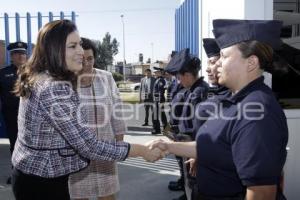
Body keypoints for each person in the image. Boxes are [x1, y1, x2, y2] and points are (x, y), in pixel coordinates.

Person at [11, 19, 163, 200]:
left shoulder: (44, 77)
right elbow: (87, 145)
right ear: (54, 49)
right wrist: (141, 150)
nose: (81, 52)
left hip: (35, 175)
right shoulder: (53, 87)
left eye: (80, 45)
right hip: (42, 181)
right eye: (73, 46)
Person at [151, 19, 288, 200]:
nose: (216, 65)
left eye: (224, 57)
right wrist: (169, 146)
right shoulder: (236, 101)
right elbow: (214, 146)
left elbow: (261, 193)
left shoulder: (257, 113)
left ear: (251, 63)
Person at [68, 37, 123, 200]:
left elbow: (117, 113)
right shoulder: (66, 81)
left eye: (90, 59)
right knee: (79, 195)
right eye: (82, 59)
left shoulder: (106, 77)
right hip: (77, 153)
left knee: (107, 194)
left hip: (105, 149)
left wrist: (119, 145)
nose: (86, 64)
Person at [0, 41, 28, 184]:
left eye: (23, 53)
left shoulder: (33, 72)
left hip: (31, 118)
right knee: (15, 145)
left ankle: (31, 175)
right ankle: (16, 174)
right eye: (17, 53)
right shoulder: (3, 73)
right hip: (11, 116)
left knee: (31, 145)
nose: (21, 56)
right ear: (11, 56)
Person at [151, 66, 168, 135]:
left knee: (158, 115)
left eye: (156, 72)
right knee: (160, 115)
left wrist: (160, 101)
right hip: (157, 100)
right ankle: (162, 129)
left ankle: (160, 129)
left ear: (160, 73)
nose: (154, 73)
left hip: (159, 100)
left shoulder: (161, 80)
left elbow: (161, 91)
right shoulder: (158, 79)